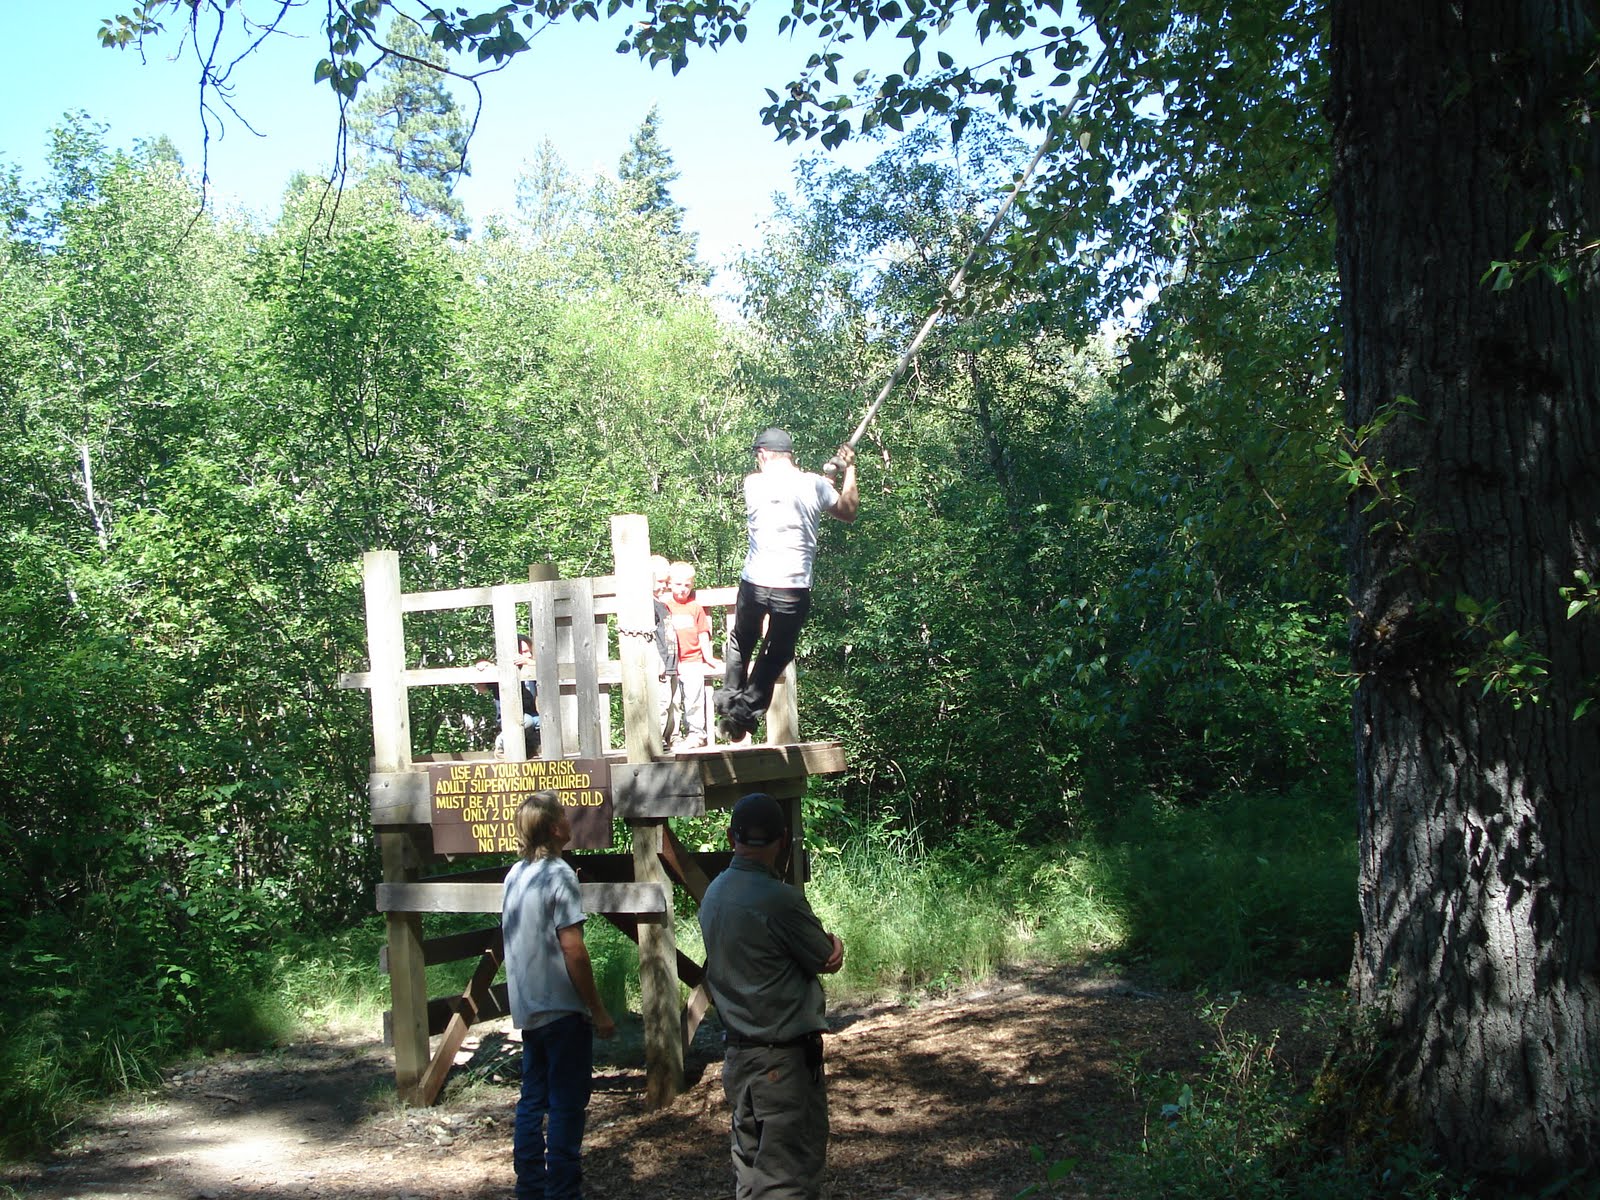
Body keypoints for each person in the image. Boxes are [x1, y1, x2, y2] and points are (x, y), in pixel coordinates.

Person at [698, 792, 845, 1200]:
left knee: (749, 1168)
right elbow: (826, 956)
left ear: (732, 837)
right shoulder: (782, 901)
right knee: (786, 1177)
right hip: (782, 1062)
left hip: (740, 1058)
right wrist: (838, 944)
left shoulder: (713, 895)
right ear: (783, 840)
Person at [502, 792, 617, 1200]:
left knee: (533, 1098)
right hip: (562, 1008)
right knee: (567, 1104)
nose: (570, 821)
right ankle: (563, 1190)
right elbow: (573, 947)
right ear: (554, 828)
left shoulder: (515, 875)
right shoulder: (559, 874)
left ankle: (530, 1186)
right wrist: (597, 1008)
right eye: (564, 817)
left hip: (529, 1007)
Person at [717, 427, 858, 742]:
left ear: (764, 455)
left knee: (742, 639)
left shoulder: (752, 484)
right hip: (792, 587)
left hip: (754, 581)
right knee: (776, 651)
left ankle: (729, 700)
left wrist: (827, 480)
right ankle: (742, 714)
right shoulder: (814, 485)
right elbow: (846, 511)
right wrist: (849, 469)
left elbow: (803, 495)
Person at [663, 560, 722, 750]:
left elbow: (703, 633)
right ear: (670, 583)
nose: (683, 589)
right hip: (671, 662)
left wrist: (709, 657)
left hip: (692, 660)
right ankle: (673, 736)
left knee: (694, 698)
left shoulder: (695, 607)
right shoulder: (664, 606)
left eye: (687, 585)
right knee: (673, 700)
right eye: (678, 584)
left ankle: (696, 733)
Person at [473, 636, 541, 757]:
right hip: (511, 717)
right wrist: (483, 667)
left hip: (532, 715)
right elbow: (481, 688)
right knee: (526, 721)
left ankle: (530, 749)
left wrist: (530, 663)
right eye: (525, 652)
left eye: (530, 651)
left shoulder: (530, 668)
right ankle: (501, 744)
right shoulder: (503, 671)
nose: (529, 655)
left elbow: (545, 670)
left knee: (542, 721)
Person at [649, 554, 679, 749]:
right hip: (660, 663)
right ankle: (657, 739)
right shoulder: (647, 604)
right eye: (660, 581)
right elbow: (647, 636)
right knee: (661, 702)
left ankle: (672, 737)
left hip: (671, 664)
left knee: (673, 703)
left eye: (666, 582)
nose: (664, 586)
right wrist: (656, 661)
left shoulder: (662, 604)